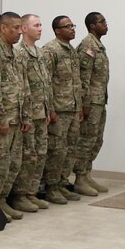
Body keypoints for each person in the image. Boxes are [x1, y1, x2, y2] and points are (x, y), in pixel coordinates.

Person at [0, 12, 30, 221]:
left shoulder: (16, 53)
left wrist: (25, 115)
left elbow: (23, 86)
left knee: (13, 163)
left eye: (21, 27)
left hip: (16, 118)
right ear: (3, 28)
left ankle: (2, 199)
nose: (20, 32)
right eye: (16, 27)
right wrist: (0, 119)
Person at [12, 13, 52, 213]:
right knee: (28, 155)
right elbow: (21, 86)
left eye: (41, 25)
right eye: (36, 25)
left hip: (41, 111)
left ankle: (31, 192)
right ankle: (20, 194)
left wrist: (49, 109)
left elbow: (46, 84)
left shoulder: (40, 53)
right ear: (24, 28)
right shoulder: (19, 53)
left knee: (40, 154)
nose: (40, 28)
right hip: (28, 113)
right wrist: (24, 114)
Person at [41, 16, 83, 204]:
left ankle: (62, 183)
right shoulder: (51, 50)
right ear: (57, 30)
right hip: (59, 109)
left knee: (70, 149)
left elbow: (76, 82)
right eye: (68, 26)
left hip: (72, 108)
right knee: (56, 150)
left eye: (73, 26)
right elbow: (46, 82)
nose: (72, 29)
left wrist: (79, 107)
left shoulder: (71, 51)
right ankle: (51, 187)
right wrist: (50, 109)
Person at [74, 12, 110, 196]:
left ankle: (87, 174)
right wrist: (84, 103)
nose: (106, 24)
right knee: (86, 140)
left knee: (96, 139)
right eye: (102, 22)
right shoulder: (88, 45)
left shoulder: (98, 45)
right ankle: (79, 178)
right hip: (91, 102)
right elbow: (83, 77)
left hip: (99, 100)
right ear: (92, 25)